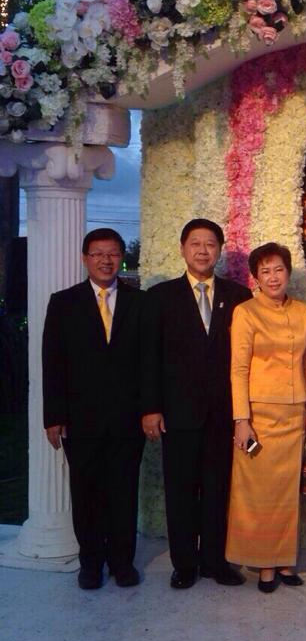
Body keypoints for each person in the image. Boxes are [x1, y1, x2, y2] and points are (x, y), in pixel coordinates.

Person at [141, 218, 252, 589]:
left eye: (210, 244)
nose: (203, 251)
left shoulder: (238, 297)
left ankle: (215, 562)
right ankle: (184, 564)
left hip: (223, 413)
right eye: (195, 243)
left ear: (219, 250)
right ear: (182, 249)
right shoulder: (160, 297)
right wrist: (151, 408)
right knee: (181, 491)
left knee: (218, 490)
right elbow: (149, 357)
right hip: (178, 414)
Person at [42, 228, 144, 589]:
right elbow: (53, 362)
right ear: (85, 258)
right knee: (86, 493)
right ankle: (90, 563)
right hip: (80, 419)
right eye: (98, 253)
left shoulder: (139, 302)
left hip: (128, 419)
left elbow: (149, 361)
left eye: (113, 253)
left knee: (123, 492)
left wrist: (150, 409)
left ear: (121, 258)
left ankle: (122, 563)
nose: (106, 260)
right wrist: (54, 417)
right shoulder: (63, 303)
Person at [226, 243, 306, 593]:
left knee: (288, 493)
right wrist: (241, 419)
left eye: (279, 269)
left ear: (288, 272)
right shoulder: (245, 313)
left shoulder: (303, 312)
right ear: (256, 278)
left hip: (295, 413)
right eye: (265, 271)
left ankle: (285, 561)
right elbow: (238, 369)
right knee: (261, 493)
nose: (273, 277)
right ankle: (264, 564)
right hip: (259, 415)